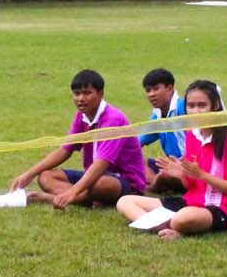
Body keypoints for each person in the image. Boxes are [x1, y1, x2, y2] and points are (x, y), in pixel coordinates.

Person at [115, 79, 227, 237]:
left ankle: (170, 225)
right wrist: (182, 175)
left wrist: (202, 175)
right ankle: (163, 227)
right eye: (191, 106)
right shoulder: (192, 135)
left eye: (202, 105)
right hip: (192, 202)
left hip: (226, 208)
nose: (196, 111)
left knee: (184, 218)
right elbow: (191, 187)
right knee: (125, 201)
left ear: (215, 106)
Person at [9, 69, 147, 210]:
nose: (81, 98)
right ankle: (86, 198)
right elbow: (65, 150)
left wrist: (73, 191)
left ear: (100, 94)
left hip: (125, 181)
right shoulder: (82, 116)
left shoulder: (114, 119)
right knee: (46, 176)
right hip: (94, 176)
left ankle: (58, 198)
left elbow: (102, 163)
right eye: (76, 93)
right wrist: (29, 174)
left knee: (99, 184)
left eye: (87, 93)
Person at [139, 68, 187, 193]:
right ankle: (161, 184)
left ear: (169, 88)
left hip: (190, 167)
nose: (151, 94)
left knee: (165, 176)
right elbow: (136, 143)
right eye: (148, 90)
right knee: (136, 161)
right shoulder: (157, 116)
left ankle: (152, 188)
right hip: (171, 166)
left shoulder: (183, 107)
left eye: (156, 89)